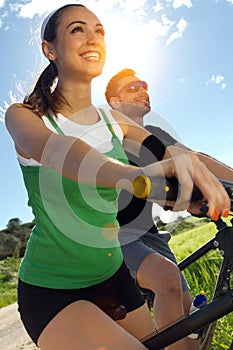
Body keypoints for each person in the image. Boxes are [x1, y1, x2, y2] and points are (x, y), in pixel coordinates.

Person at [5, 5, 230, 350]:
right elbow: (59, 151)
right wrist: (137, 177)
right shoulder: (25, 116)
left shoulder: (113, 121)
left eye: (99, 30)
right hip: (53, 288)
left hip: (112, 276)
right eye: (78, 29)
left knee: (179, 345)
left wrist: (186, 163)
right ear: (50, 50)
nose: (93, 37)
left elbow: (177, 154)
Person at [105, 68, 233, 348]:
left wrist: (203, 194)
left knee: (186, 319)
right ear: (114, 102)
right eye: (132, 88)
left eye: (144, 85)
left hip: (148, 233)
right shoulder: (110, 136)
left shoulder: (155, 134)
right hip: (111, 234)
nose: (143, 91)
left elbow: (191, 163)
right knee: (166, 279)